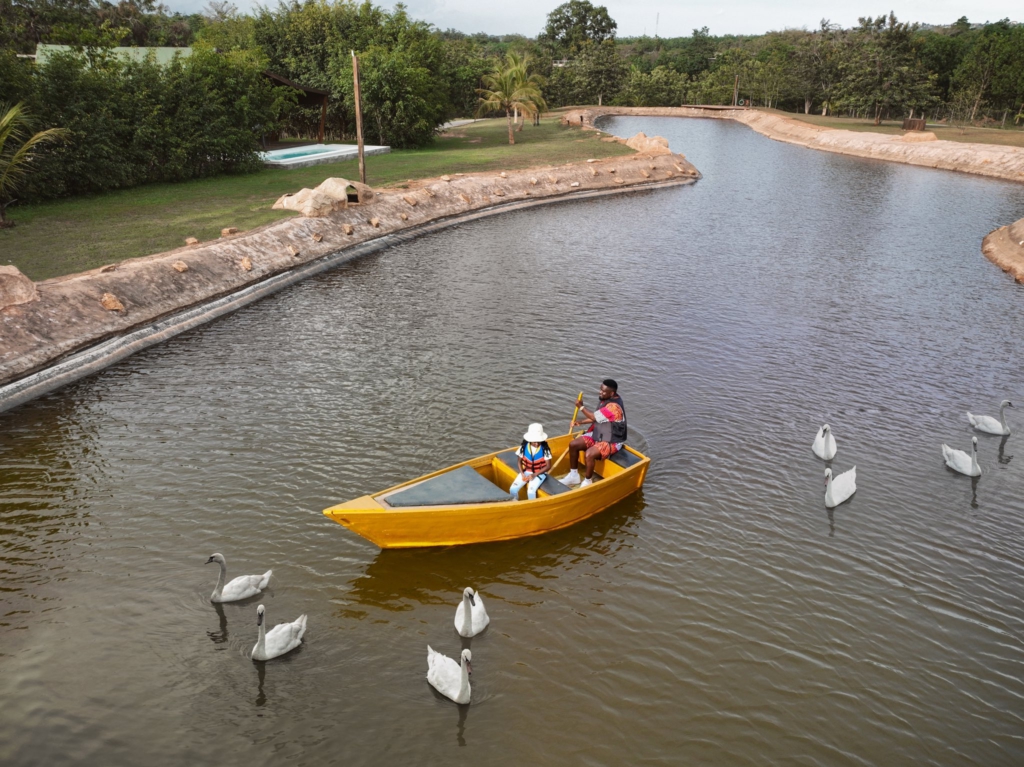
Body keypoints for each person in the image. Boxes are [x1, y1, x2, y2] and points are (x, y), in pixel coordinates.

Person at [563, 379, 627, 488]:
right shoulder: (605, 399)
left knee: (589, 453)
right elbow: (597, 417)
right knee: (573, 445)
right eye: (600, 390)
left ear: (611, 393)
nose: (600, 393)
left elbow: (593, 417)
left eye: (603, 391)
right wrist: (580, 422)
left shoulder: (613, 407)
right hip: (599, 434)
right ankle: (573, 475)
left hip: (612, 440)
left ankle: (588, 481)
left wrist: (581, 407)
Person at [509, 423, 553, 500]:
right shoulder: (523, 447)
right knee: (512, 489)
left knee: (531, 492)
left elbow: (548, 466)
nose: (537, 444)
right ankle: (515, 503)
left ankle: (533, 508)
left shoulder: (545, 449)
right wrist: (522, 474)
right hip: (526, 472)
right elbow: (519, 461)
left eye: (538, 441)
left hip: (540, 473)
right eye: (534, 442)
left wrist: (534, 475)